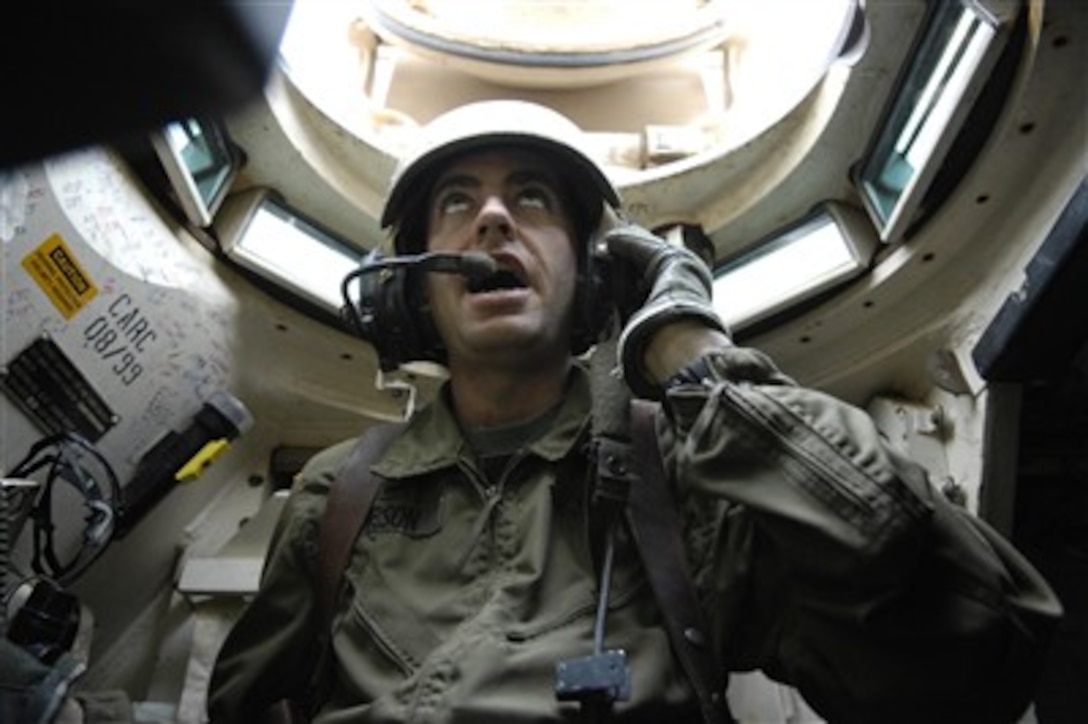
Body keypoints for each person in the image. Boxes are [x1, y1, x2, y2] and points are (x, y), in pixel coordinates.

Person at [206, 100, 1061, 724]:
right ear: (413, 293)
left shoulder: (688, 475)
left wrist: (687, 349)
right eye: (458, 202)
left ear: (596, 274)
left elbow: (972, 661)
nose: (494, 218)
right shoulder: (340, 493)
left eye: (531, 198)